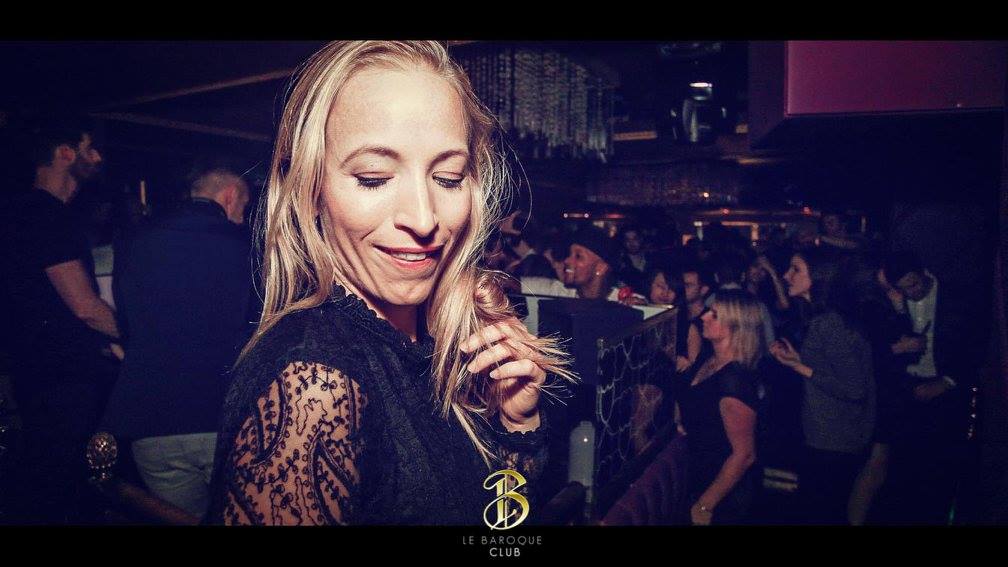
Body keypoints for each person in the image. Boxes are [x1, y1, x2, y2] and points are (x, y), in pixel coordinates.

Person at [204, 41, 575, 526]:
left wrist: (516, 421)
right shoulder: (313, 386)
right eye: (374, 177)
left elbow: (499, 524)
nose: (424, 218)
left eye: (448, 177)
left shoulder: (435, 343)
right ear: (310, 190)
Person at [100, 159, 254, 519]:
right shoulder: (247, 246)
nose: (242, 218)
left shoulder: (135, 241)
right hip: (227, 416)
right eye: (244, 208)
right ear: (230, 196)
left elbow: (124, 321)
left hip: (151, 421)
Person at [0, 117, 119, 523]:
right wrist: (138, 339)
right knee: (69, 483)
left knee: (51, 479)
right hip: (63, 375)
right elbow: (85, 307)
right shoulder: (46, 215)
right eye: (90, 148)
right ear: (66, 153)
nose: (97, 157)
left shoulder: (23, 212)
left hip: (36, 368)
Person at [770, 248, 875, 525]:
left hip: (834, 438)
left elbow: (854, 388)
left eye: (796, 269)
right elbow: (834, 369)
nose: (786, 275)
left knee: (821, 511)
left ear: (818, 277)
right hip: (830, 435)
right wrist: (796, 360)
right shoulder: (824, 318)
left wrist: (801, 368)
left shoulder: (830, 323)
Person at [879, 251, 978, 524]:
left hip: (944, 388)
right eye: (904, 289)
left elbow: (975, 345)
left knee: (940, 464)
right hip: (906, 387)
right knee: (904, 465)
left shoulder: (956, 297)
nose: (911, 292)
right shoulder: (893, 300)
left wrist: (947, 382)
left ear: (924, 273)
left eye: (914, 284)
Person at [676, 290, 763, 525]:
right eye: (708, 311)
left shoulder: (734, 380)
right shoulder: (709, 359)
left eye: (714, 315)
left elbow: (744, 454)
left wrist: (705, 505)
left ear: (736, 326)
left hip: (724, 493)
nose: (704, 317)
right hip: (700, 474)